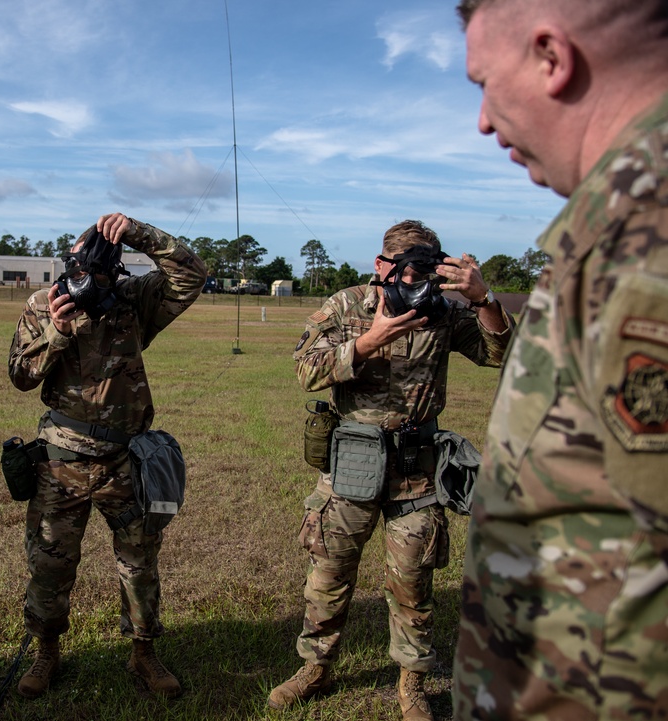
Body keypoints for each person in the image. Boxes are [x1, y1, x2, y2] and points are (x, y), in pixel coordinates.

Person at [453, 1, 668, 718]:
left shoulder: (643, 237)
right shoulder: (616, 223)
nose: (483, 120)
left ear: (552, 56)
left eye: (484, 81)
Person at [268, 220, 513, 720]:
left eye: (425, 269)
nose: (413, 279)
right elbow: (303, 370)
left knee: (413, 583)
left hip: (415, 472)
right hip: (351, 467)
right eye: (404, 268)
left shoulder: (442, 311)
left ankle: (412, 683)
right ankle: (315, 665)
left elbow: (501, 355)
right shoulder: (347, 305)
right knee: (328, 575)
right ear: (381, 265)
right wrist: (368, 340)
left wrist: (484, 299)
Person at [8, 212, 206, 699]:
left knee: (139, 565)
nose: (85, 282)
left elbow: (192, 274)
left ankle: (144, 653)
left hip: (124, 458)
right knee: (51, 563)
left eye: (98, 272)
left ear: (115, 272)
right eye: (77, 268)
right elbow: (20, 374)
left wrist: (139, 233)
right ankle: (46, 653)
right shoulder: (43, 303)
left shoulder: (134, 302)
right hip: (62, 459)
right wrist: (56, 331)